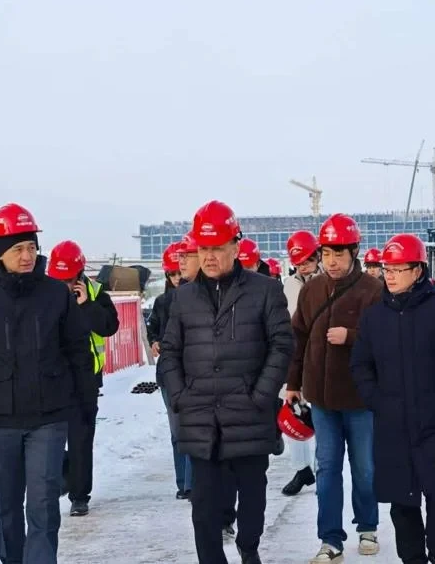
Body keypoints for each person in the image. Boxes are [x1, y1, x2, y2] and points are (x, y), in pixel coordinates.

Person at [0, 203, 94, 564]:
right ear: (0, 252)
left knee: (43, 505)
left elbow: (78, 350)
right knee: (9, 506)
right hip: (0, 419)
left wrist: (86, 400)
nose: (27, 256)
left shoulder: (56, 294)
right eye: (18, 249)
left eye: (31, 247)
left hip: (49, 418)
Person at [157, 200, 293, 564]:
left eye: (217, 248)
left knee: (252, 501)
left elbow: (282, 345)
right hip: (201, 416)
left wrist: (260, 395)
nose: (209, 256)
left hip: (248, 414)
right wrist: (180, 396)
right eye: (203, 248)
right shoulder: (183, 298)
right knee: (203, 508)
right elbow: (170, 351)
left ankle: (249, 547)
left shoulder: (265, 291)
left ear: (236, 246)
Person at [350, 233, 435, 564]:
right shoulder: (374, 317)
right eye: (386, 269)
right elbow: (361, 365)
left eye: (397, 269)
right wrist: (377, 401)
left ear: (418, 270)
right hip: (393, 424)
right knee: (402, 502)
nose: (389, 276)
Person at [285, 212, 384, 563]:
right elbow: (298, 338)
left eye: (338, 253)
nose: (331, 261)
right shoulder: (311, 290)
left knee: (364, 467)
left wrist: (351, 336)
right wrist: (293, 383)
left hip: (360, 399)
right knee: (326, 468)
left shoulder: (373, 290)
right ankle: (330, 539)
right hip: (322, 399)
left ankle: (367, 526)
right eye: (326, 253)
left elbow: (386, 340)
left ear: (354, 252)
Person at [47, 239, 120, 517]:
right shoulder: (43, 296)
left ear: (78, 276)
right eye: (59, 280)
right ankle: (60, 479)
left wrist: (86, 305)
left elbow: (109, 326)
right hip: (51, 379)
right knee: (47, 439)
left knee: (80, 440)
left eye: (68, 280)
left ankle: (79, 495)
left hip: (84, 380)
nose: (64, 286)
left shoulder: (96, 294)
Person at [149, 240, 193, 500]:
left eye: (179, 272)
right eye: (172, 274)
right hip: (169, 374)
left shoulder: (197, 298)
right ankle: (184, 483)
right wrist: (154, 340)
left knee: (193, 429)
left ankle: (192, 482)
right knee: (178, 431)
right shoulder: (162, 302)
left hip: (193, 372)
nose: (177, 277)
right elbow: (153, 327)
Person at [281, 230, 323, 497]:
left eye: (308, 261)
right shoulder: (289, 284)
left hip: (321, 357)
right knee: (292, 414)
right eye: (299, 262)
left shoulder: (328, 281)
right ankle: (301, 469)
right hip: (295, 356)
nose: (304, 266)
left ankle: (322, 471)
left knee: (321, 417)